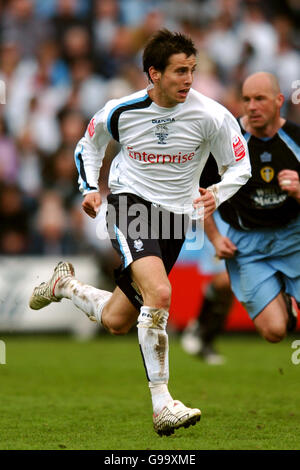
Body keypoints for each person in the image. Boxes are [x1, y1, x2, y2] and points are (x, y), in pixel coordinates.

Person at [29, 29, 251, 436]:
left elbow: (240, 166)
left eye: (192, 70)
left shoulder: (212, 116)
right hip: (131, 205)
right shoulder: (121, 110)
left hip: (175, 220)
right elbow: (87, 146)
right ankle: (162, 403)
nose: (188, 79)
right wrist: (91, 189)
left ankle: (65, 286)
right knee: (161, 293)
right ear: (154, 73)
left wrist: (216, 193)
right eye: (179, 71)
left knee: (117, 319)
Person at [202, 72, 300, 344]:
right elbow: (202, 195)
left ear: (279, 100)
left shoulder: (296, 139)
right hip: (248, 244)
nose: (252, 106)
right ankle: (283, 299)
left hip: (295, 237)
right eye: (246, 99)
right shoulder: (227, 141)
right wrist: (215, 238)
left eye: (260, 99)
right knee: (274, 332)